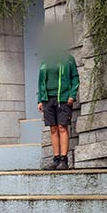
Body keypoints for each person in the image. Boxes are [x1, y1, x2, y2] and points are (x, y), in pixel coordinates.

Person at [37, 29, 80, 171]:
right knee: (53, 128)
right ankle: (55, 159)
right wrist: (40, 99)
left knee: (62, 127)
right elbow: (40, 80)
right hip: (47, 99)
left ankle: (64, 159)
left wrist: (72, 95)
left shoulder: (68, 58)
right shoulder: (45, 60)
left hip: (63, 98)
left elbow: (75, 77)